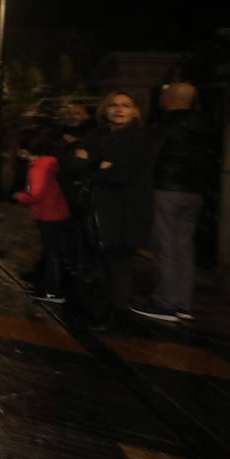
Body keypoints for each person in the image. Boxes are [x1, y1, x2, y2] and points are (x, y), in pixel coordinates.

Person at [70, 91, 153, 331]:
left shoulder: (139, 138)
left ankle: (116, 314)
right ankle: (100, 310)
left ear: (135, 110)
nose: (119, 110)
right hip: (96, 208)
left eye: (126, 105)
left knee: (117, 261)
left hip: (125, 209)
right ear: (104, 109)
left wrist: (90, 164)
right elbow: (73, 164)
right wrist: (97, 165)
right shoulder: (97, 134)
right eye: (113, 105)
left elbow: (120, 174)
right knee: (101, 261)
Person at [131, 81, 212, 322]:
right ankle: (182, 303)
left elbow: (150, 157)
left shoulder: (165, 124)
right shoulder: (204, 125)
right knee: (184, 247)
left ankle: (164, 302)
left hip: (167, 189)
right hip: (193, 192)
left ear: (170, 98)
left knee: (165, 247)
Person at [14, 128, 72, 303]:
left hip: (49, 214)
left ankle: (52, 291)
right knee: (52, 250)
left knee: (52, 251)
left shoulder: (37, 168)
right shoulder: (47, 163)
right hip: (57, 211)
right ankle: (49, 286)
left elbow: (36, 194)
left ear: (26, 149)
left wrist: (19, 196)